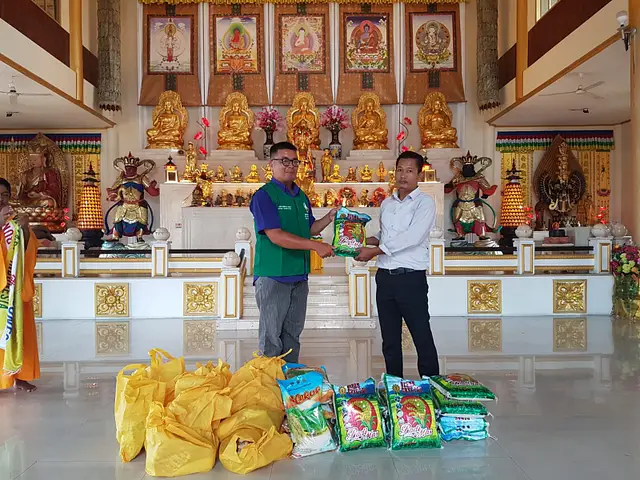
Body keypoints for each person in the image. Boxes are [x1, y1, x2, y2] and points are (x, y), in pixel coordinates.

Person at [355, 151, 439, 378]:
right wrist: (360, 241)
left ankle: (431, 384)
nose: (403, 175)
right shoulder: (387, 203)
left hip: (410, 278)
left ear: (419, 174)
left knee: (421, 334)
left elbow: (412, 237)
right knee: (390, 339)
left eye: (410, 171)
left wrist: (373, 251)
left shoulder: (424, 203)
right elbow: (385, 235)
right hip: (385, 277)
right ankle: (394, 384)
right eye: (400, 170)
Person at [250, 142, 335, 362]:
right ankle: (269, 381)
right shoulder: (264, 196)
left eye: (295, 162)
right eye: (284, 161)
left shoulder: (301, 196)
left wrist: (330, 218)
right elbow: (276, 236)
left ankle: (289, 377)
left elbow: (310, 228)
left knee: (292, 334)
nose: (290, 166)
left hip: (299, 274)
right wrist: (315, 246)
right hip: (273, 274)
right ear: (271, 164)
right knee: (271, 337)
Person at [0, 178, 40, 392]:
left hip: (14, 286)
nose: (1, 199)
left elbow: (28, 249)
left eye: (4, 195)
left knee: (20, 331)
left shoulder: (15, 220)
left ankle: (20, 375)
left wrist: (24, 230)